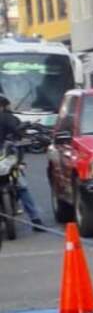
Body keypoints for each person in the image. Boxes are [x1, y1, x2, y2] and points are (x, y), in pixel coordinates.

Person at [0, 96, 43, 231]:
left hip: (6, 158)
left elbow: (19, 132)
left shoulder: (8, 118)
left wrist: (29, 137)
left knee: (22, 185)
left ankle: (35, 219)